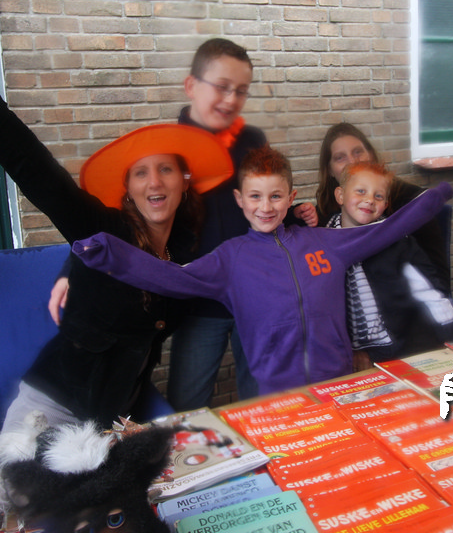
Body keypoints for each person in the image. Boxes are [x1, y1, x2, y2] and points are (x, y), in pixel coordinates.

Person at [0, 0, 233, 430]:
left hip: (117, 419)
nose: (154, 182)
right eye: (140, 173)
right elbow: (33, 168)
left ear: (185, 181)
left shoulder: (186, 245)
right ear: (127, 189)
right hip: (53, 410)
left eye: (166, 169)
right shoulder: (102, 233)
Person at [49, 38, 317, 411]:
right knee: (187, 401)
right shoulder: (169, 147)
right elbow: (117, 218)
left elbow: (263, 194)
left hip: (254, 294)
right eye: (221, 86)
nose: (231, 99)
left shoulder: (252, 140)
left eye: (241, 91)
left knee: (263, 399)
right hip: (197, 300)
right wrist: (74, 267)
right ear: (191, 86)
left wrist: (295, 210)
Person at [73, 146, 453, 395]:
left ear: (290, 198)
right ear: (240, 200)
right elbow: (171, 276)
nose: (265, 207)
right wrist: (109, 254)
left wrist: (433, 199)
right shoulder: (229, 259)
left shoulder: (326, 242)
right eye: (255, 196)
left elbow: (387, 230)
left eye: (275, 196)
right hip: (276, 393)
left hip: (339, 383)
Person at [328, 161, 453, 371]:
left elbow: (430, 294)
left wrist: (452, 341)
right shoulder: (322, 245)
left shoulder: (399, 243)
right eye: (361, 191)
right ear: (340, 195)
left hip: (401, 348)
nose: (369, 200)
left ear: (385, 204)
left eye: (378, 196)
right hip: (346, 357)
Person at [314, 123, 452, 294]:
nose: (352, 161)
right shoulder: (324, 213)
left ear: (371, 155)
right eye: (340, 157)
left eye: (358, 152)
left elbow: (437, 278)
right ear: (330, 170)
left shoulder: (413, 203)